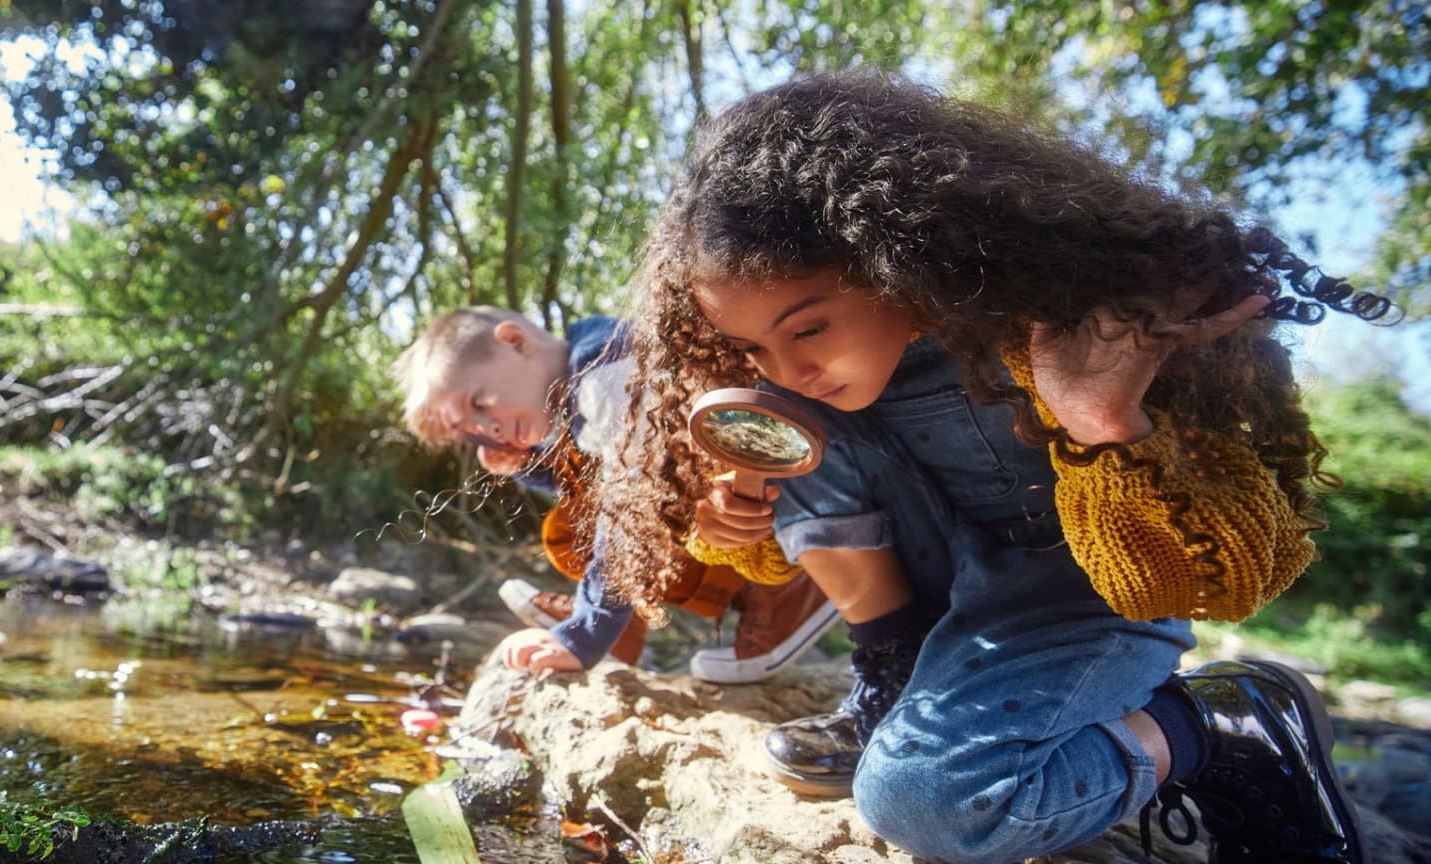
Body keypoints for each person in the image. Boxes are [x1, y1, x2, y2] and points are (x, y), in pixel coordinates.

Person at [595, 73, 1389, 862]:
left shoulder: (1082, 324)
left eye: (807, 327)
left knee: (928, 806)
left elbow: (1226, 583)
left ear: (886, 254)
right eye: (754, 345)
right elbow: (783, 551)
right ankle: (895, 682)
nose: (788, 365)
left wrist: (1105, 425)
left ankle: (1214, 725)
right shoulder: (801, 387)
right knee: (780, 414)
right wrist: (735, 517)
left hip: (1083, 599)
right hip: (945, 600)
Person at [392, 306, 838, 681]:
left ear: (514, 341)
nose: (485, 430)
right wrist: (526, 462)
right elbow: (588, 481)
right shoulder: (575, 386)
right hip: (730, 521)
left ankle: (796, 593)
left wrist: (586, 633)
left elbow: (629, 514)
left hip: (787, 507)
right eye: (467, 433)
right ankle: (625, 638)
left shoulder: (604, 375)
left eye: (479, 403)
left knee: (610, 518)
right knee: (572, 529)